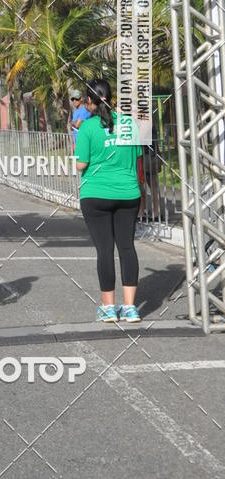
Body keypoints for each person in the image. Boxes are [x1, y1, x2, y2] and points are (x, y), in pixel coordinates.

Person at [75, 78, 143, 323]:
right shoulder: (129, 125)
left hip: (95, 195)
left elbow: (81, 164)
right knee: (127, 247)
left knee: (104, 250)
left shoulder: (87, 127)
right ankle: (130, 308)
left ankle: (108, 308)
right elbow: (137, 160)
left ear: (89, 101)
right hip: (128, 193)